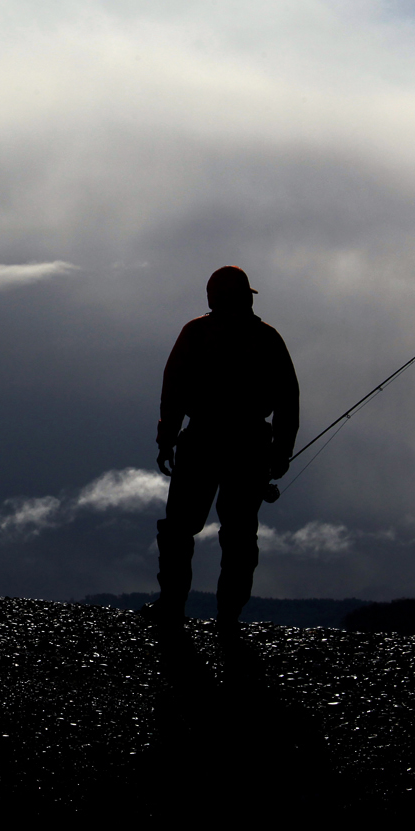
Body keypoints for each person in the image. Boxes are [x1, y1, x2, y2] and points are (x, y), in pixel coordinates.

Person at [141, 266, 299, 628]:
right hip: (249, 447)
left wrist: (167, 440)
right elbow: (288, 400)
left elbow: (173, 390)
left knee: (179, 528)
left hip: (201, 442)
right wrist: (281, 451)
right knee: (240, 535)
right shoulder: (267, 338)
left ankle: (172, 606)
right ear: (245, 296)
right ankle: (228, 617)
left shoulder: (195, 333)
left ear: (212, 297)